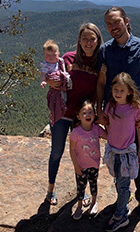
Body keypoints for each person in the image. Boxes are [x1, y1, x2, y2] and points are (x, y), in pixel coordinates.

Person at [97, 6, 140, 218]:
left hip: (135, 113)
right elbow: (101, 83)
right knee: (116, 156)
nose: (113, 27)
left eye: (116, 22)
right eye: (109, 24)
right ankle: (123, 195)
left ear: (126, 20)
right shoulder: (105, 50)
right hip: (113, 114)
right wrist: (98, 109)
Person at [44, 23, 103, 205]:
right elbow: (51, 71)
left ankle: (82, 192)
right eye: (84, 38)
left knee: (81, 155)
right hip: (62, 113)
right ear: (79, 40)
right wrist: (47, 79)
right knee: (57, 152)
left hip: (83, 116)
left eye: (92, 38)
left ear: (98, 41)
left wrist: (99, 112)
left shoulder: (101, 64)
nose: (88, 42)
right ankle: (50, 191)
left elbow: (101, 89)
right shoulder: (68, 58)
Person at [103, 72, 140, 232]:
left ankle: (121, 217)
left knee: (122, 184)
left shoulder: (135, 109)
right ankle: (124, 203)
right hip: (114, 151)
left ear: (129, 91)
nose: (118, 93)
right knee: (119, 181)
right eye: (115, 90)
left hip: (127, 154)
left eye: (121, 90)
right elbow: (108, 124)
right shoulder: (110, 106)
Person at [70, 100, 107, 220]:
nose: (88, 115)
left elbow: (108, 135)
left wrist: (107, 121)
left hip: (94, 164)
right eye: (84, 113)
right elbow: (72, 150)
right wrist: (75, 166)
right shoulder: (75, 132)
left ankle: (94, 202)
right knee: (81, 186)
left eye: (91, 112)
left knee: (93, 183)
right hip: (81, 165)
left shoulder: (96, 129)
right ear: (78, 116)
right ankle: (79, 206)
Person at [40, 39, 72, 126]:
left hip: (64, 86)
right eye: (47, 55)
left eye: (53, 55)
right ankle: (58, 112)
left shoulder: (61, 62)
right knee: (58, 101)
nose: (50, 58)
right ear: (44, 55)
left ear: (58, 54)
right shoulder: (46, 65)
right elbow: (43, 74)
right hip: (56, 89)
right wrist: (43, 81)